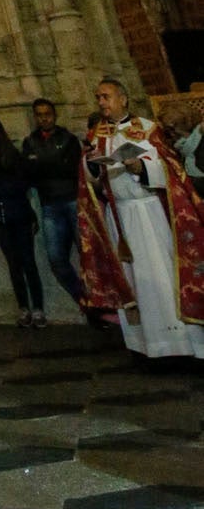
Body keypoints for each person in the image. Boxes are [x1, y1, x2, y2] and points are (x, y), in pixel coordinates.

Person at [78, 76, 204, 361]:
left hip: (150, 213)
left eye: (106, 96)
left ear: (123, 98)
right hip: (119, 216)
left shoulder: (147, 129)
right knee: (135, 282)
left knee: (161, 276)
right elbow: (90, 182)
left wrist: (140, 168)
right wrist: (90, 163)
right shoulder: (97, 136)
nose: (101, 102)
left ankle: (180, 345)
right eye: (98, 97)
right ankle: (147, 346)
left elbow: (171, 170)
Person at [0, 113, 44, 325]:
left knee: (28, 262)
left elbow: (23, 181)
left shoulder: (12, 153)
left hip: (19, 212)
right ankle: (23, 307)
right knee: (13, 264)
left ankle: (38, 307)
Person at [22, 98, 84, 307]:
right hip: (49, 204)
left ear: (54, 114)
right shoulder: (30, 142)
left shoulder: (68, 138)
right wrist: (51, 162)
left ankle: (101, 298)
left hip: (72, 200)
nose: (44, 118)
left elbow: (71, 169)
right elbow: (29, 173)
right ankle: (83, 299)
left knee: (87, 253)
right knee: (56, 259)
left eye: (47, 113)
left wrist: (42, 163)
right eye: (39, 115)